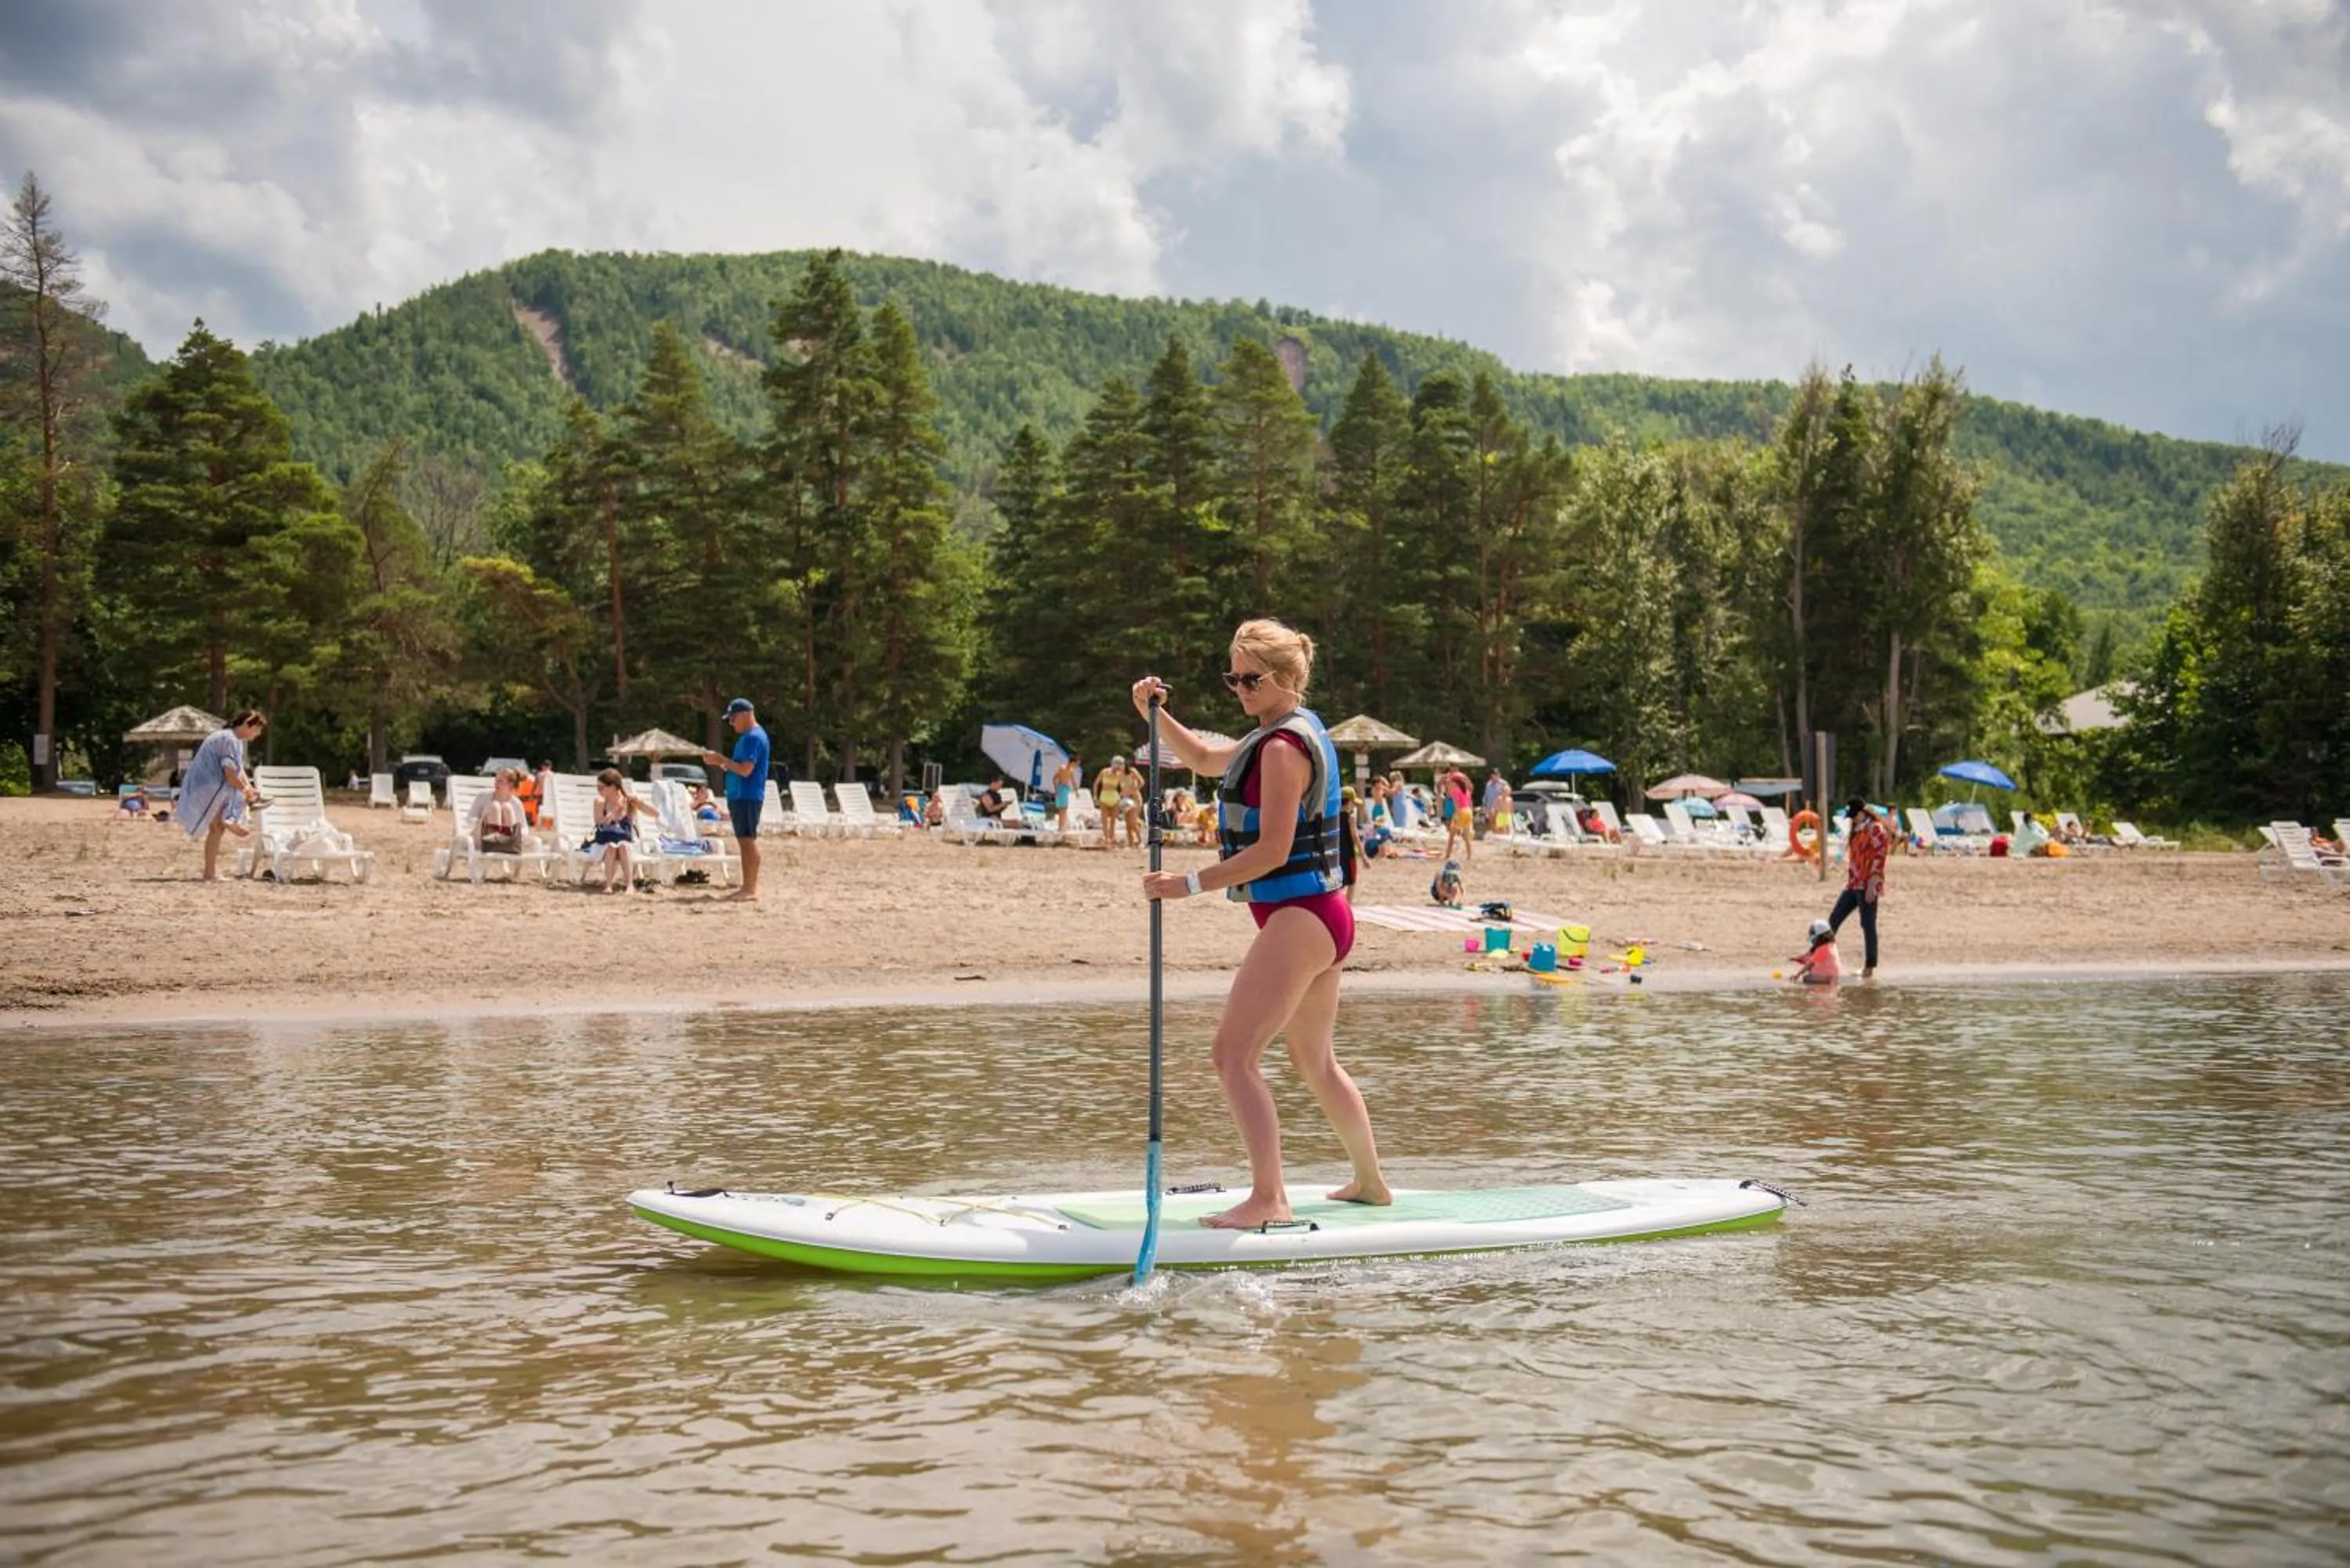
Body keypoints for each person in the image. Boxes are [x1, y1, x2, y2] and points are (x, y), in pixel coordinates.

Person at [1136, 617, 1390, 1230]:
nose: (1240, 689)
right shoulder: (1278, 733)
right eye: (1233, 678)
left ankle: (1269, 1198)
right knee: (1314, 1061)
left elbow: (1274, 850)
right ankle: (1370, 1183)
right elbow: (1197, 757)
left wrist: (1187, 885)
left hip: (1302, 917)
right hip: (1320, 917)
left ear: (1282, 679)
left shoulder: (1281, 749)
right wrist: (1153, 712)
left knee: (1232, 1056)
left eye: (1251, 679)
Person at [181, 710, 268, 881]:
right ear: (247, 724)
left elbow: (238, 770)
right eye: (257, 729)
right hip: (208, 787)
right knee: (218, 826)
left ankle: (210, 872)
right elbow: (230, 774)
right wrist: (247, 792)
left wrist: (249, 788)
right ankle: (232, 819)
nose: (258, 734)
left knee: (217, 829)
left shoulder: (228, 737)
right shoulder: (230, 740)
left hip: (204, 786)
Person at [698, 698, 769, 902]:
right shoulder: (748, 737)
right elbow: (738, 767)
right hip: (741, 796)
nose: (731, 723)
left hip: (747, 796)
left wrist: (720, 759)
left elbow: (746, 770)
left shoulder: (753, 738)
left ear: (746, 714)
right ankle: (747, 887)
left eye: (733, 718)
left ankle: (750, 889)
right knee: (744, 841)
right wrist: (722, 763)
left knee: (747, 841)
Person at [1827, 795, 1890, 979]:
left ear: (1863, 813)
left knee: (1868, 925)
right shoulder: (1856, 829)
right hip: (1853, 884)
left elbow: (1880, 856)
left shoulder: (1876, 829)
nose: (1853, 819)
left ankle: (1869, 968)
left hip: (1868, 884)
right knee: (1834, 919)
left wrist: (1873, 883)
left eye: (1855, 815)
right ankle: (1820, 959)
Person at [584, 768, 659, 893]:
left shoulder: (629, 800)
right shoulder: (600, 802)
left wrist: (641, 803)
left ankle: (629, 886)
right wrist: (613, 813)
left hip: (625, 841)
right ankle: (608, 885)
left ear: (613, 786)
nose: (599, 790)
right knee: (612, 847)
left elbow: (652, 813)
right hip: (604, 841)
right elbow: (599, 822)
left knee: (623, 846)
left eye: (601, 787)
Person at [470, 768, 530, 854]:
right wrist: (482, 819)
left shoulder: (516, 803)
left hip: (505, 841)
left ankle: (505, 845)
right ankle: (494, 843)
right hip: (482, 838)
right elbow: (470, 818)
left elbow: (524, 828)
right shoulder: (482, 796)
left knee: (507, 808)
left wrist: (517, 834)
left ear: (511, 784)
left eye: (500, 781)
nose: (495, 784)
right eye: (496, 780)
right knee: (495, 806)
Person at [1094, 755, 1143, 850]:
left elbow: (1141, 782)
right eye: (1117, 764)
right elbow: (1115, 786)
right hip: (1121, 799)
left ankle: (1139, 841)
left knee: (1132, 821)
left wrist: (1133, 790)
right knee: (1127, 822)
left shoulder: (1131, 772)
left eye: (1121, 764)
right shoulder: (1115, 774)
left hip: (1133, 798)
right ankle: (1130, 843)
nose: (1119, 767)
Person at [1787, 918, 1842, 986]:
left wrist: (1797, 975)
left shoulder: (1823, 949)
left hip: (1827, 977)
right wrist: (1797, 959)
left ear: (1820, 937)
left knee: (1806, 978)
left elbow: (1810, 963)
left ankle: (1822, 984)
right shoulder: (1832, 945)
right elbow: (1809, 956)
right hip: (1835, 975)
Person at [1441, 765, 1475, 862]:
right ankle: (1469, 856)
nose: (1449, 783)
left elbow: (1456, 805)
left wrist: (1455, 815)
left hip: (1461, 812)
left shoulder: (1455, 791)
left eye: (1451, 781)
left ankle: (1447, 855)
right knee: (1466, 836)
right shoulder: (1467, 791)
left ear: (1455, 782)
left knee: (1452, 836)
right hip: (1468, 812)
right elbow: (1469, 803)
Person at [1052, 753, 1079, 836]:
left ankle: (1062, 826)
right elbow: (1055, 778)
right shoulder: (1062, 768)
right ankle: (1060, 827)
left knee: (1064, 809)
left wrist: (1076, 791)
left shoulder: (1071, 771)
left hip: (1066, 789)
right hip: (1061, 788)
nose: (1077, 766)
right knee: (1062, 809)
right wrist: (1056, 790)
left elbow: (1073, 781)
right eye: (1076, 764)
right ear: (1072, 762)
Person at [532, 761, 555, 826]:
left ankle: (540, 824)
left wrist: (532, 793)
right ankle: (551, 824)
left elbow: (535, 784)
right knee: (550, 808)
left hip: (540, 794)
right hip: (550, 795)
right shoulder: (553, 775)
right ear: (550, 766)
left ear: (543, 766)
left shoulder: (539, 774)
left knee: (540, 809)